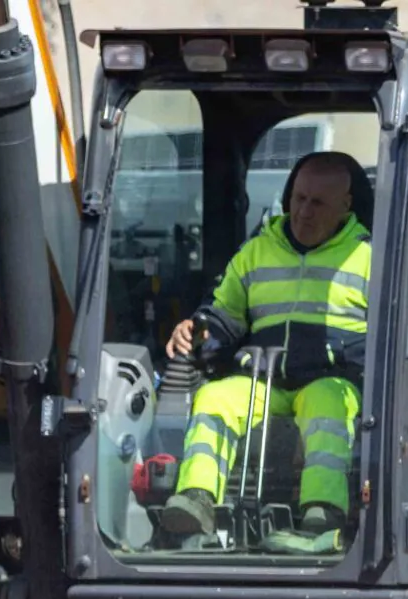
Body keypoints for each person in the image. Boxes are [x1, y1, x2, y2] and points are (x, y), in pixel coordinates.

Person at [153, 151, 372, 545]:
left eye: (318, 203)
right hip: (264, 381)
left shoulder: (369, 258)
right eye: (299, 198)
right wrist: (196, 328)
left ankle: (324, 511)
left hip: (331, 381)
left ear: (346, 206)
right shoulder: (257, 251)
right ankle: (196, 498)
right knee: (214, 396)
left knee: (329, 403)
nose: (304, 211)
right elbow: (223, 314)